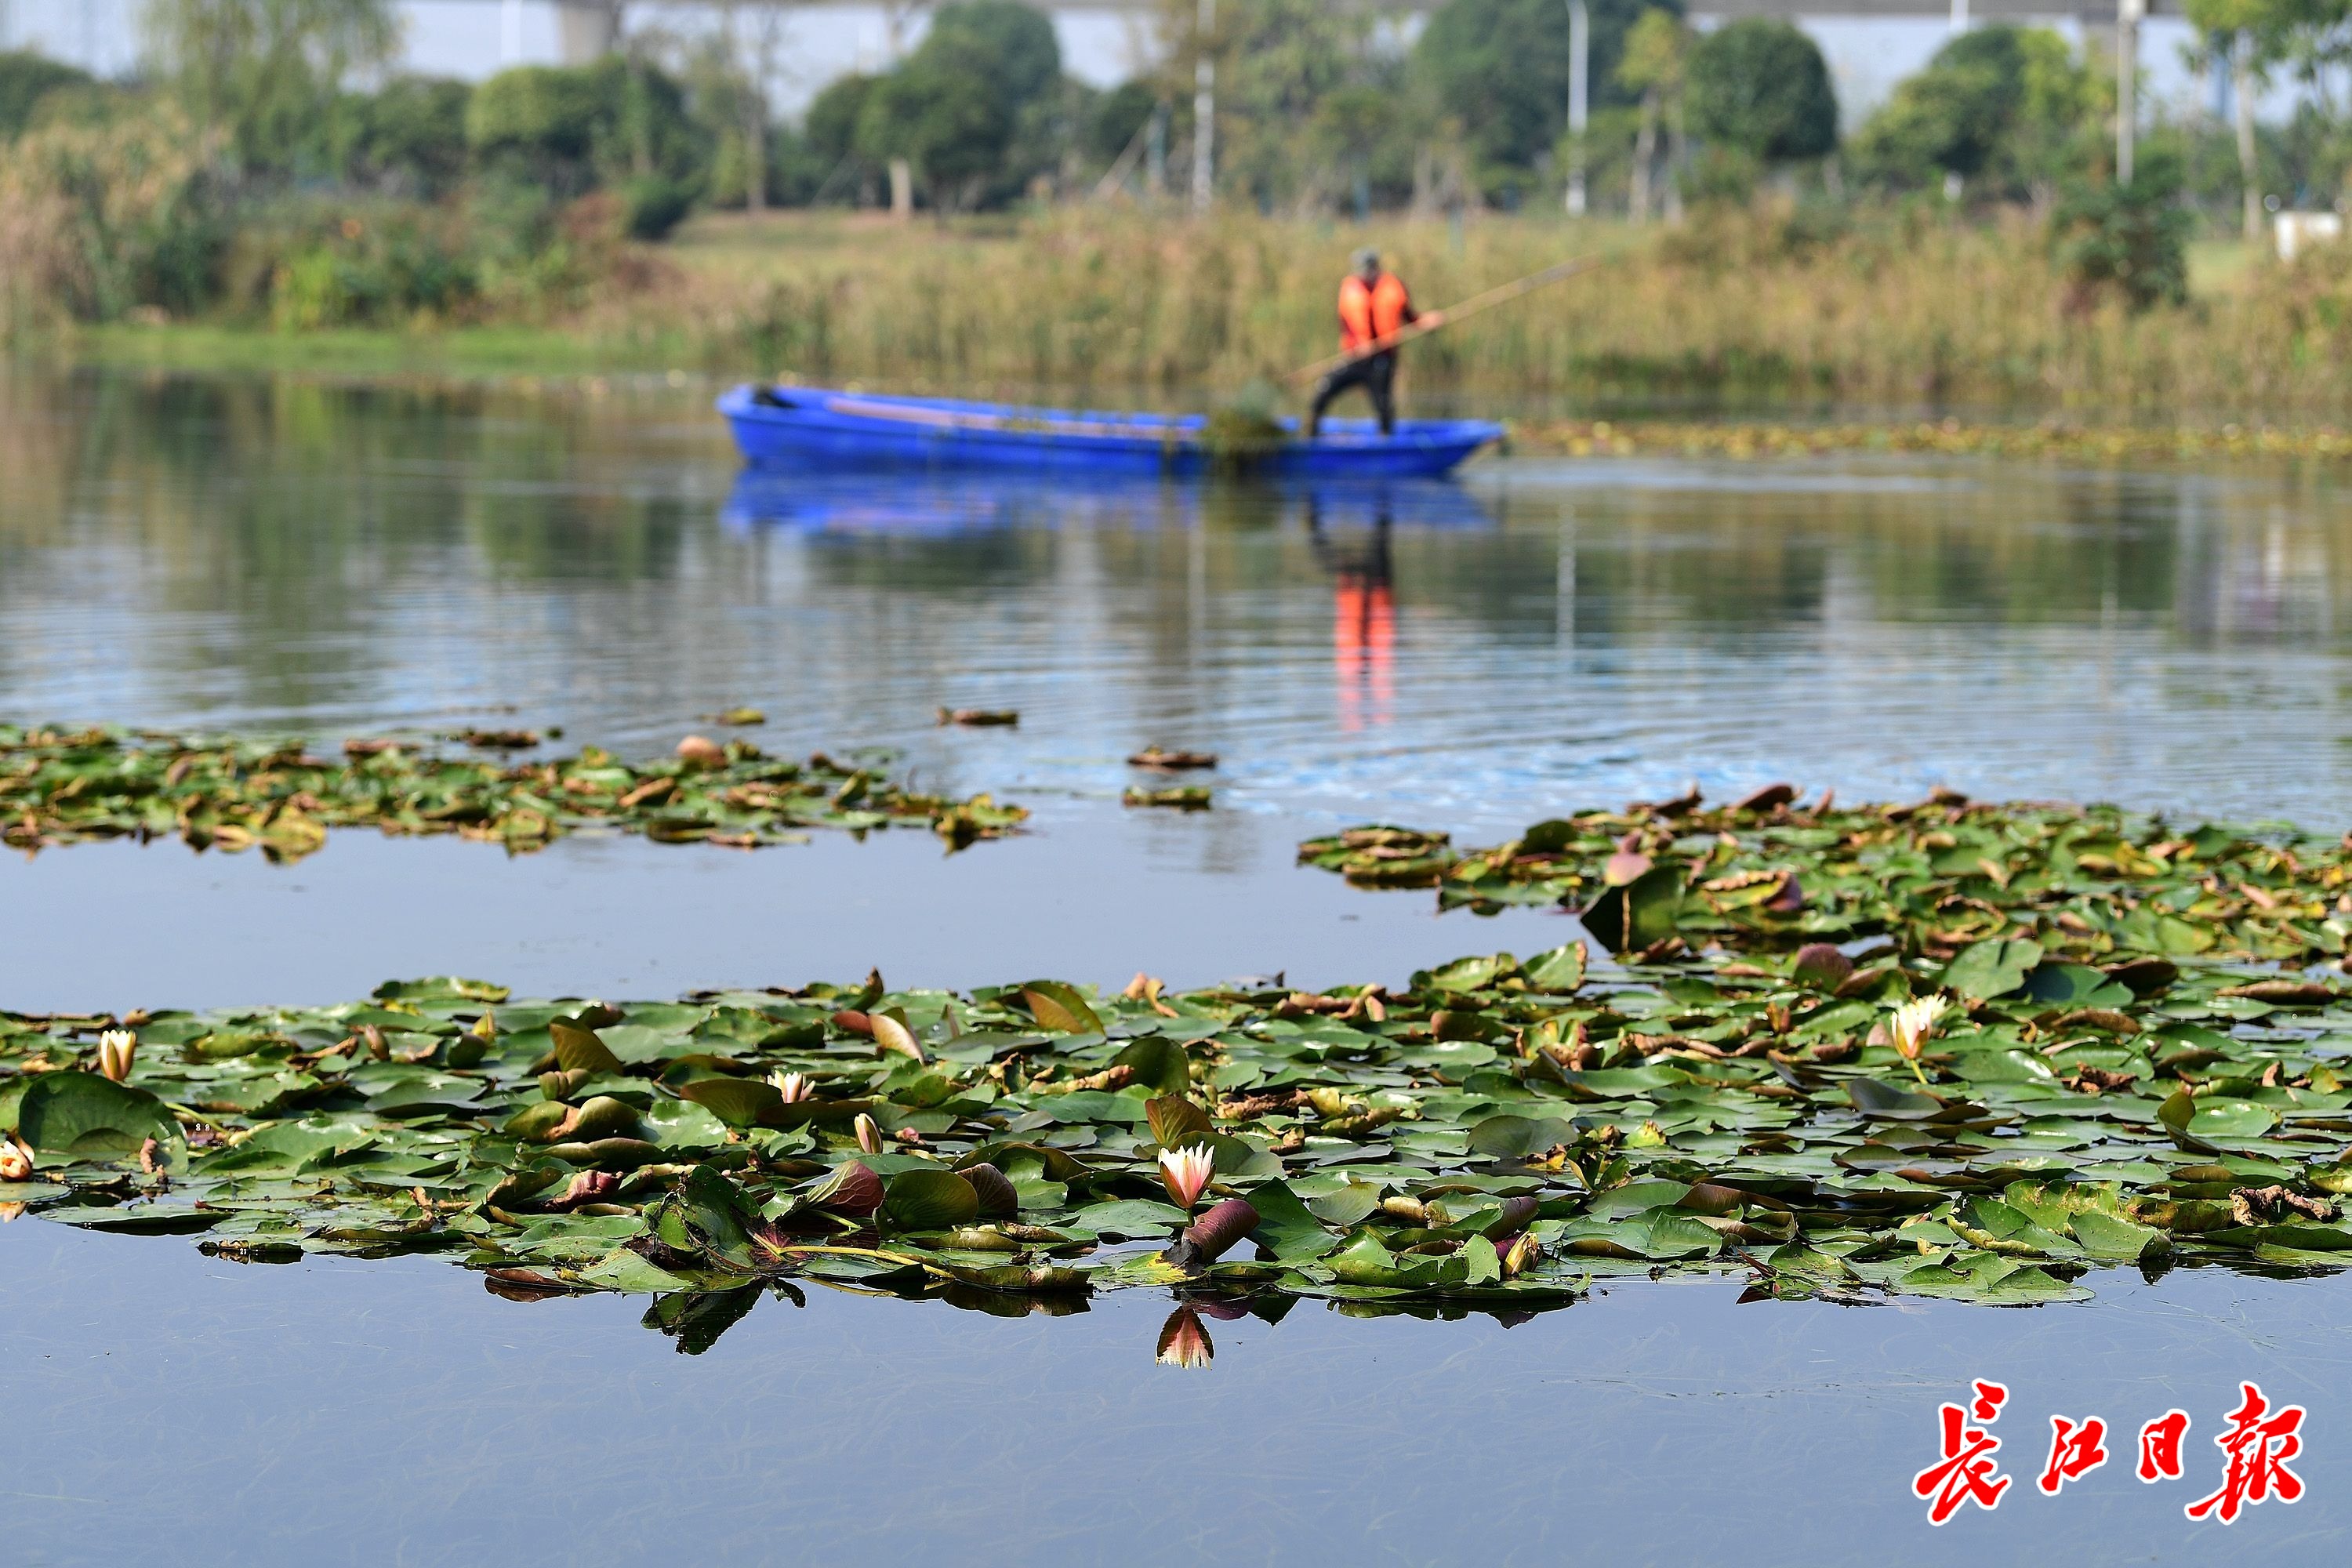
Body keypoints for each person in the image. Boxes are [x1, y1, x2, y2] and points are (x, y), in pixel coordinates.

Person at [1308, 249, 1439, 439]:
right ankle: (1310, 431)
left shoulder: (1393, 287)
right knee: (1325, 388)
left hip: (1383, 357)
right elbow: (1346, 324)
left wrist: (1425, 321)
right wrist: (1357, 344)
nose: (1366, 272)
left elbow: (1409, 316)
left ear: (1376, 267)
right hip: (1356, 357)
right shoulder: (1349, 289)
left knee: (1382, 401)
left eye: (1370, 267)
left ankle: (1386, 439)